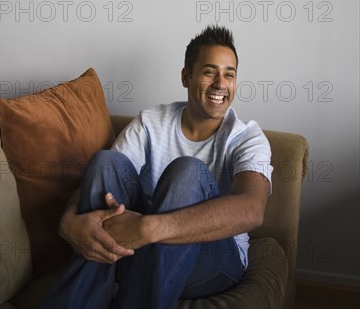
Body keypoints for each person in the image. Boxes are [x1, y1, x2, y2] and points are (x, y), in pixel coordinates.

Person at [40, 25, 273, 309]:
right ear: (186, 77)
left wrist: (148, 228)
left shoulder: (247, 137)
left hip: (215, 263)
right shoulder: (151, 122)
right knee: (105, 161)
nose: (220, 84)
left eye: (229, 74)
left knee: (187, 171)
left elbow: (252, 208)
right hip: (138, 250)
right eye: (210, 72)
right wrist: (69, 220)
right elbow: (104, 179)